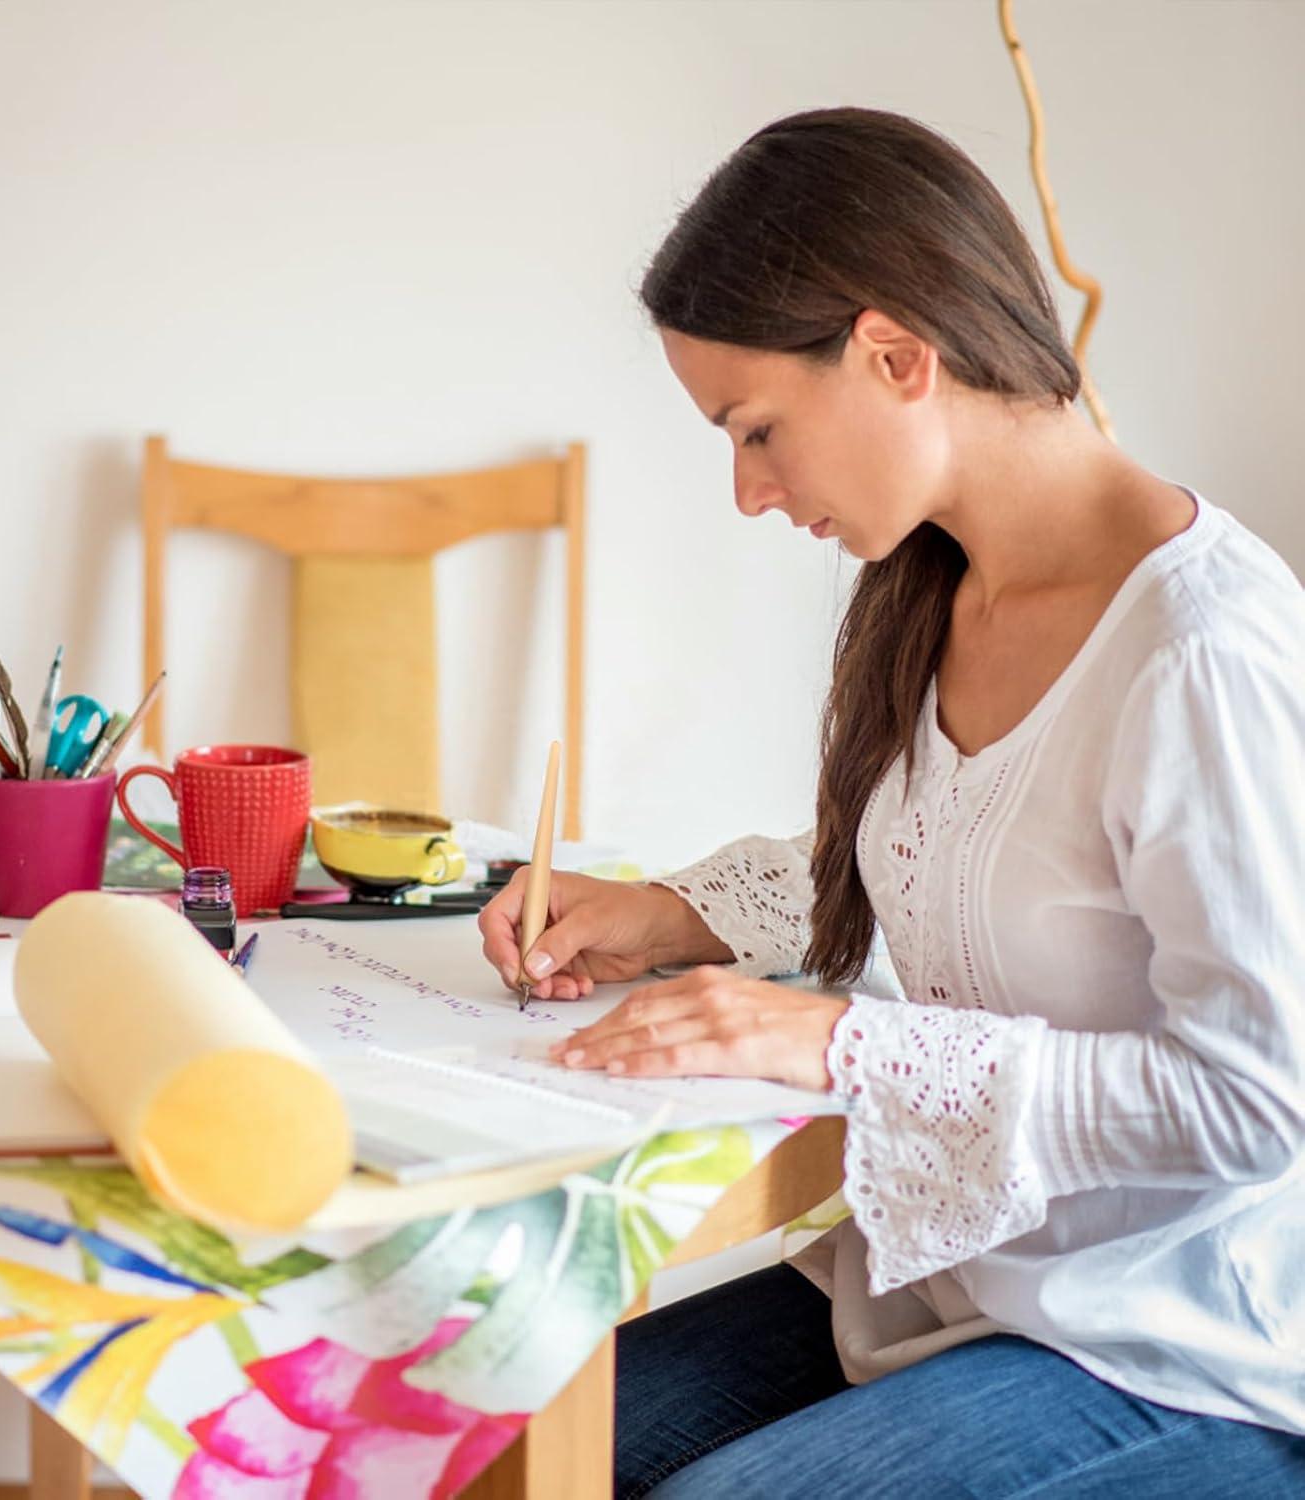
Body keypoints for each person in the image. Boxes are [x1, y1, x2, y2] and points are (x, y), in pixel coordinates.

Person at [478, 107, 1305, 1496]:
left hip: (1178, 1345)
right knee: (506, 1442)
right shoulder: (942, 585)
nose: (747, 492)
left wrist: (848, 1048)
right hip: (955, 1266)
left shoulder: (1203, 653)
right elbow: (997, 856)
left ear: (894, 354)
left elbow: (1258, 1098)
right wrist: (686, 913)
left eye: (756, 431)